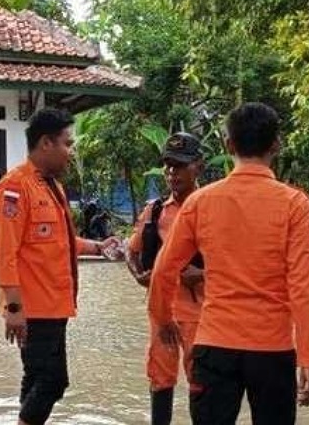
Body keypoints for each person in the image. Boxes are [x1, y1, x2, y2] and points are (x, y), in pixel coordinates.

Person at [148, 103, 309, 425]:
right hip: (273, 349)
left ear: (229, 145)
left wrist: (162, 320)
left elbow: (163, 270)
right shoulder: (294, 204)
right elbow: (303, 287)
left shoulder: (201, 202)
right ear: (276, 145)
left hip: (214, 345)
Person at [0, 108, 121, 425]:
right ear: (46, 143)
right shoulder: (14, 189)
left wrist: (97, 247)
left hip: (55, 306)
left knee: (37, 378)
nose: (71, 151)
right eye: (67, 143)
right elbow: (3, 253)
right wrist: (14, 307)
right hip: (34, 309)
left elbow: (60, 241)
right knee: (52, 382)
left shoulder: (52, 187)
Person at [126, 132, 205, 424]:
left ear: (199, 166)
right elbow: (130, 250)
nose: (172, 173)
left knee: (201, 382)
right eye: (168, 166)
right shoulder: (155, 210)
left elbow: (242, 266)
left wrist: (203, 274)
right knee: (160, 379)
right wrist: (139, 276)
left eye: (180, 165)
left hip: (202, 315)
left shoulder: (212, 207)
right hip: (162, 314)